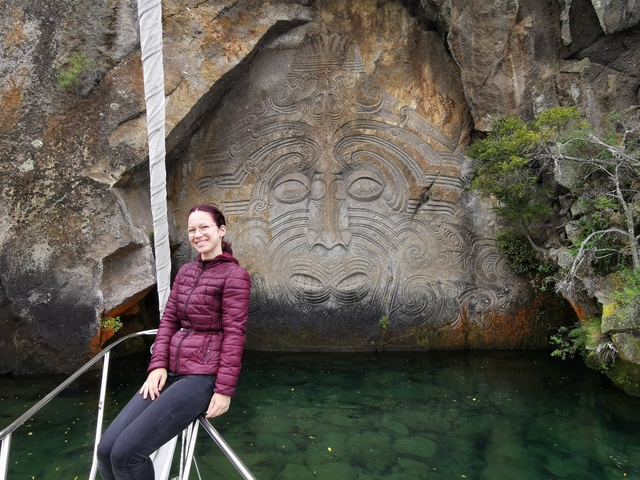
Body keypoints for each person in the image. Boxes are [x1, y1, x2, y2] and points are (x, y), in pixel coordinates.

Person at [97, 204, 251, 480]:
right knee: (106, 450)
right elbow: (168, 322)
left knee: (127, 455)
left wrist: (224, 390)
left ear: (221, 230)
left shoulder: (235, 276)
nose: (197, 234)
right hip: (170, 371)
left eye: (204, 227)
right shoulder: (186, 272)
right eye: (192, 229)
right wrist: (157, 365)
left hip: (201, 377)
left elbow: (234, 334)